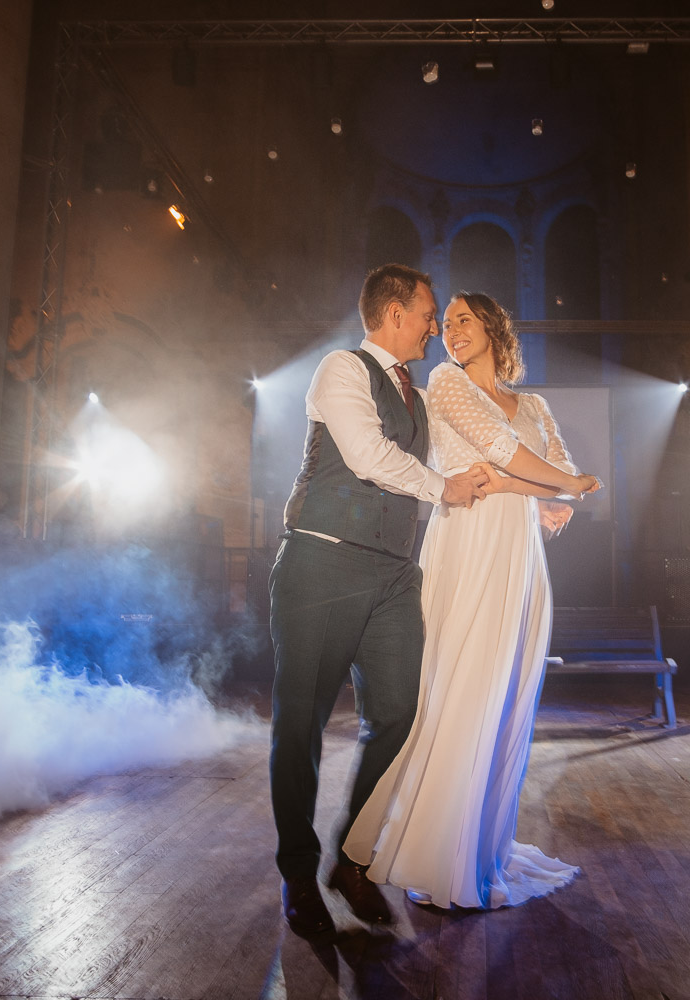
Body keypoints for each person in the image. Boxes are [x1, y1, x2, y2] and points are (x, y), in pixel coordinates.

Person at [343, 290, 601, 910]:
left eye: (463, 320)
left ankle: (479, 846)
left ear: (493, 326)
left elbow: (557, 474)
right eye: (444, 321)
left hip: (521, 557)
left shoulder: (534, 404)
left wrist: (546, 486)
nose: (450, 331)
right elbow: (505, 453)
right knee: (456, 689)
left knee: (505, 695)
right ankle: (426, 848)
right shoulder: (447, 382)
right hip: (468, 546)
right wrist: (555, 485)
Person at [268, 264, 490, 938]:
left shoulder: (419, 399)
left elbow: (470, 465)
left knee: (399, 713)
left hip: (394, 576)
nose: (433, 326)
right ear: (395, 314)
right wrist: (441, 489)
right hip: (321, 561)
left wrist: (532, 505)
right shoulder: (340, 369)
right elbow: (365, 455)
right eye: (427, 313)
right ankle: (300, 872)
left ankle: (352, 859)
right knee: (300, 725)